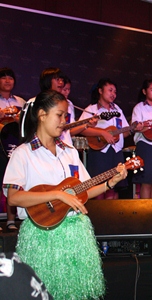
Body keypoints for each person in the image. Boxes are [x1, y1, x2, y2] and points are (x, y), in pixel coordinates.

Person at [2, 89, 128, 299]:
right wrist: (57, 195)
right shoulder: (23, 154)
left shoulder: (69, 152)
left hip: (75, 236)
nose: (64, 121)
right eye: (59, 115)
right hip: (42, 238)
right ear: (42, 114)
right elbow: (14, 197)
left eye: (66, 116)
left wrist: (109, 182)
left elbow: (84, 189)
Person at [79, 78, 136, 199]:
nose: (113, 94)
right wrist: (103, 133)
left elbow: (124, 132)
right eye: (110, 90)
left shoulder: (117, 110)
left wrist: (132, 129)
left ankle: (111, 216)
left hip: (116, 152)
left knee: (115, 187)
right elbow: (82, 129)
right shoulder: (91, 109)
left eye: (115, 92)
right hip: (99, 152)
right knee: (99, 188)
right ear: (100, 90)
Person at [0, 67, 25, 231]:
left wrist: (18, 118)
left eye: (11, 78)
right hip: (0, 143)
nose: (8, 80)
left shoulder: (21, 101)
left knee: (13, 180)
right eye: (4, 78)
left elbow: (27, 124)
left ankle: (11, 220)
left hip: (15, 143)